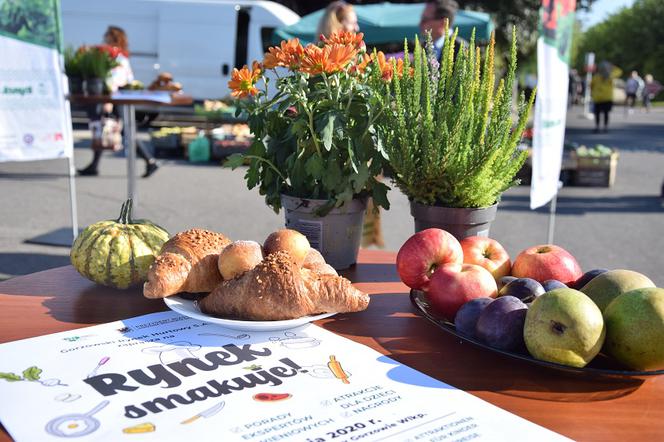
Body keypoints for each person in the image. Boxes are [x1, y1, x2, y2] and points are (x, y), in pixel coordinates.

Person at [78, 26, 159, 177]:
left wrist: (109, 98)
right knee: (107, 129)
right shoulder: (119, 55)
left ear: (114, 38)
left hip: (117, 98)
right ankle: (94, 165)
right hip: (119, 96)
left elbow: (115, 79)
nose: (104, 38)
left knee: (122, 131)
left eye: (107, 36)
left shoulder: (116, 56)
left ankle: (150, 161)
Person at [590, 61, 619, 133]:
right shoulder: (611, 76)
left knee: (597, 114)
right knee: (606, 113)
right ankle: (605, 127)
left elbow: (591, 86)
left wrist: (593, 93)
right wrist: (612, 66)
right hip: (607, 98)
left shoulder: (597, 77)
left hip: (598, 98)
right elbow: (619, 71)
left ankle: (597, 127)